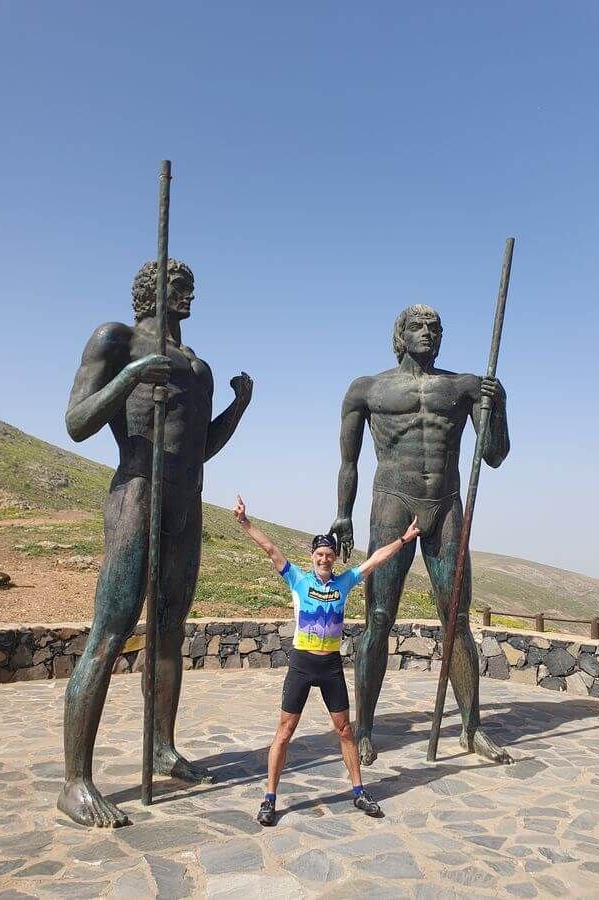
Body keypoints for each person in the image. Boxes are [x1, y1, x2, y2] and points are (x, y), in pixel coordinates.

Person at [58, 259, 253, 828]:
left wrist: (238, 409)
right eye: (178, 285)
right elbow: (77, 422)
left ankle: (162, 747)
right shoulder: (115, 339)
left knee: (169, 631)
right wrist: (132, 376)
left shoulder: (199, 368)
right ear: (151, 290)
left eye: (192, 286)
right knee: (110, 632)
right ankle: (75, 782)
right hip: (138, 493)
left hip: (186, 501)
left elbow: (199, 445)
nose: (189, 293)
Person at [329, 303, 512, 767]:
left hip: (446, 504)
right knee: (378, 617)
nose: (427, 332)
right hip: (392, 503)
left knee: (457, 618)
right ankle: (364, 729)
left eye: (434, 327)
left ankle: (471, 727)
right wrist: (343, 515)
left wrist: (500, 406)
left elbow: (493, 456)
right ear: (400, 335)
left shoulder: (464, 387)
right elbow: (348, 462)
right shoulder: (367, 389)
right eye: (417, 326)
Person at [233, 494, 420, 826]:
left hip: (330, 665)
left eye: (329, 555)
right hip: (302, 664)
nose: (324, 559)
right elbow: (270, 549)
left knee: (345, 730)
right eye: (320, 554)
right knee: (285, 731)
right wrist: (245, 522)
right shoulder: (298, 579)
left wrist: (404, 539)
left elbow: (375, 560)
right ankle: (270, 798)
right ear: (312, 556)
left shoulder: (344, 582)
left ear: (334, 558)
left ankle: (359, 791)